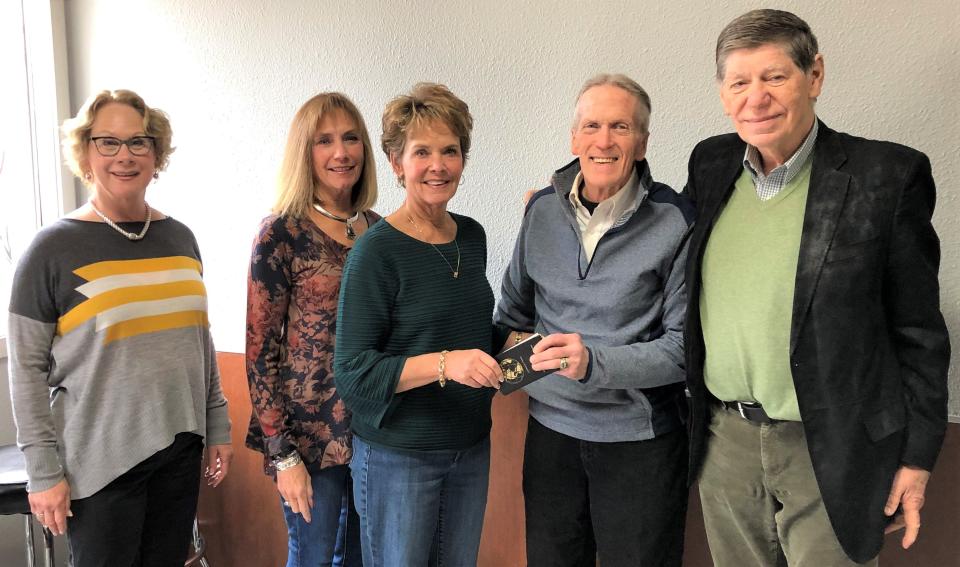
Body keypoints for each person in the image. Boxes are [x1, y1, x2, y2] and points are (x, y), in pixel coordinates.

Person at [684, 9, 950, 566]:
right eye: (739, 82)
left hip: (833, 446)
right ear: (722, 94)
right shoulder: (711, 165)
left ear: (815, 76)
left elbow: (920, 334)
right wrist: (559, 201)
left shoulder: (887, 176)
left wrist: (917, 459)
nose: (756, 97)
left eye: (774, 76)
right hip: (725, 443)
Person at [7, 89, 233, 566]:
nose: (125, 155)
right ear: (85, 152)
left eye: (139, 142)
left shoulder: (180, 238)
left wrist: (218, 425)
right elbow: (26, 370)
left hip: (180, 451)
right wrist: (43, 472)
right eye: (108, 142)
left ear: (157, 154)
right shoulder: (51, 249)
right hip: (99, 464)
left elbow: (199, 340)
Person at [495, 74, 693, 567]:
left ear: (642, 142)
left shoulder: (677, 220)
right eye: (592, 125)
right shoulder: (541, 209)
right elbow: (512, 314)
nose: (604, 140)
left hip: (639, 443)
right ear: (574, 137)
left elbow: (682, 350)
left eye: (620, 127)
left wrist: (593, 364)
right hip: (550, 437)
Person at [333, 83, 506, 566]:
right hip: (398, 458)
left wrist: (513, 344)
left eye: (450, 151)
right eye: (422, 152)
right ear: (395, 162)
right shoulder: (376, 251)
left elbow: (466, 331)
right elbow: (353, 373)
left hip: (470, 448)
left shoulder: (471, 236)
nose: (438, 165)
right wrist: (447, 364)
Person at [246, 92, 378, 567]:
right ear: (305, 152)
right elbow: (261, 351)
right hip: (306, 439)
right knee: (314, 557)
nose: (340, 153)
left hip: (374, 431)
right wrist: (281, 456)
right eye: (324, 141)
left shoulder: (381, 230)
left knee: (366, 558)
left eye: (350, 138)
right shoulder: (280, 233)